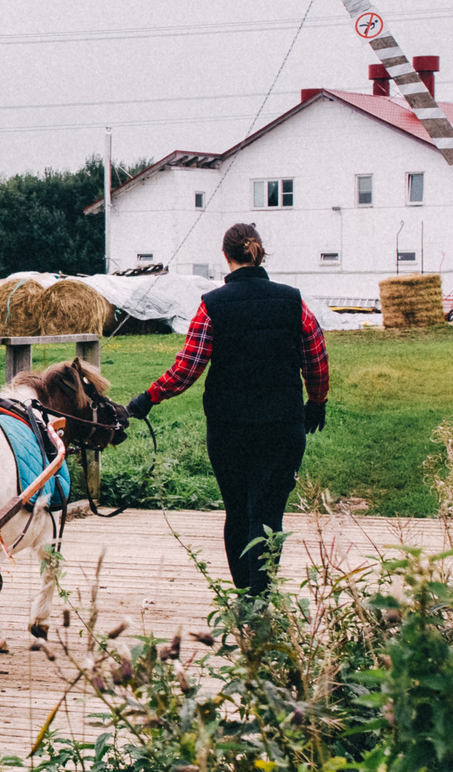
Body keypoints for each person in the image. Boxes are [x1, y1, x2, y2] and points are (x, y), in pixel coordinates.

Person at [124, 222, 330, 596]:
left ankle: (243, 596)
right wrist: (317, 402)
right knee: (267, 514)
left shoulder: (212, 306)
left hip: (229, 428)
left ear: (226, 256)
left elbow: (187, 368)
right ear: (260, 253)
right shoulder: (293, 301)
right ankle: (261, 596)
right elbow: (316, 358)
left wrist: (149, 397)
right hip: (283, 426)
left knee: (237, 510)